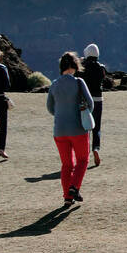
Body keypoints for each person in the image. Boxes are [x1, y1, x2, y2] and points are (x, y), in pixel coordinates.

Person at [45, 51, 94, 205]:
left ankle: (68, 197)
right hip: (78, 129)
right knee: (83, 160)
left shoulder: (54, 84)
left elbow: (50, 108)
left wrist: (61, 115)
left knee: (66, 165)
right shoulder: (79, 82)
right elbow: (90, 104)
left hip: (59, 131)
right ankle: (74, 187)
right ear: (75, 65)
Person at [81, 43, 107, 167]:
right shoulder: (101, 67)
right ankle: (96, 148)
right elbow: (104, 79)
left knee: (85, 127)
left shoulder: (83, 67)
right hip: (98, 99)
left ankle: (84, 153)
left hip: (85, 100)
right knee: (96, 127)